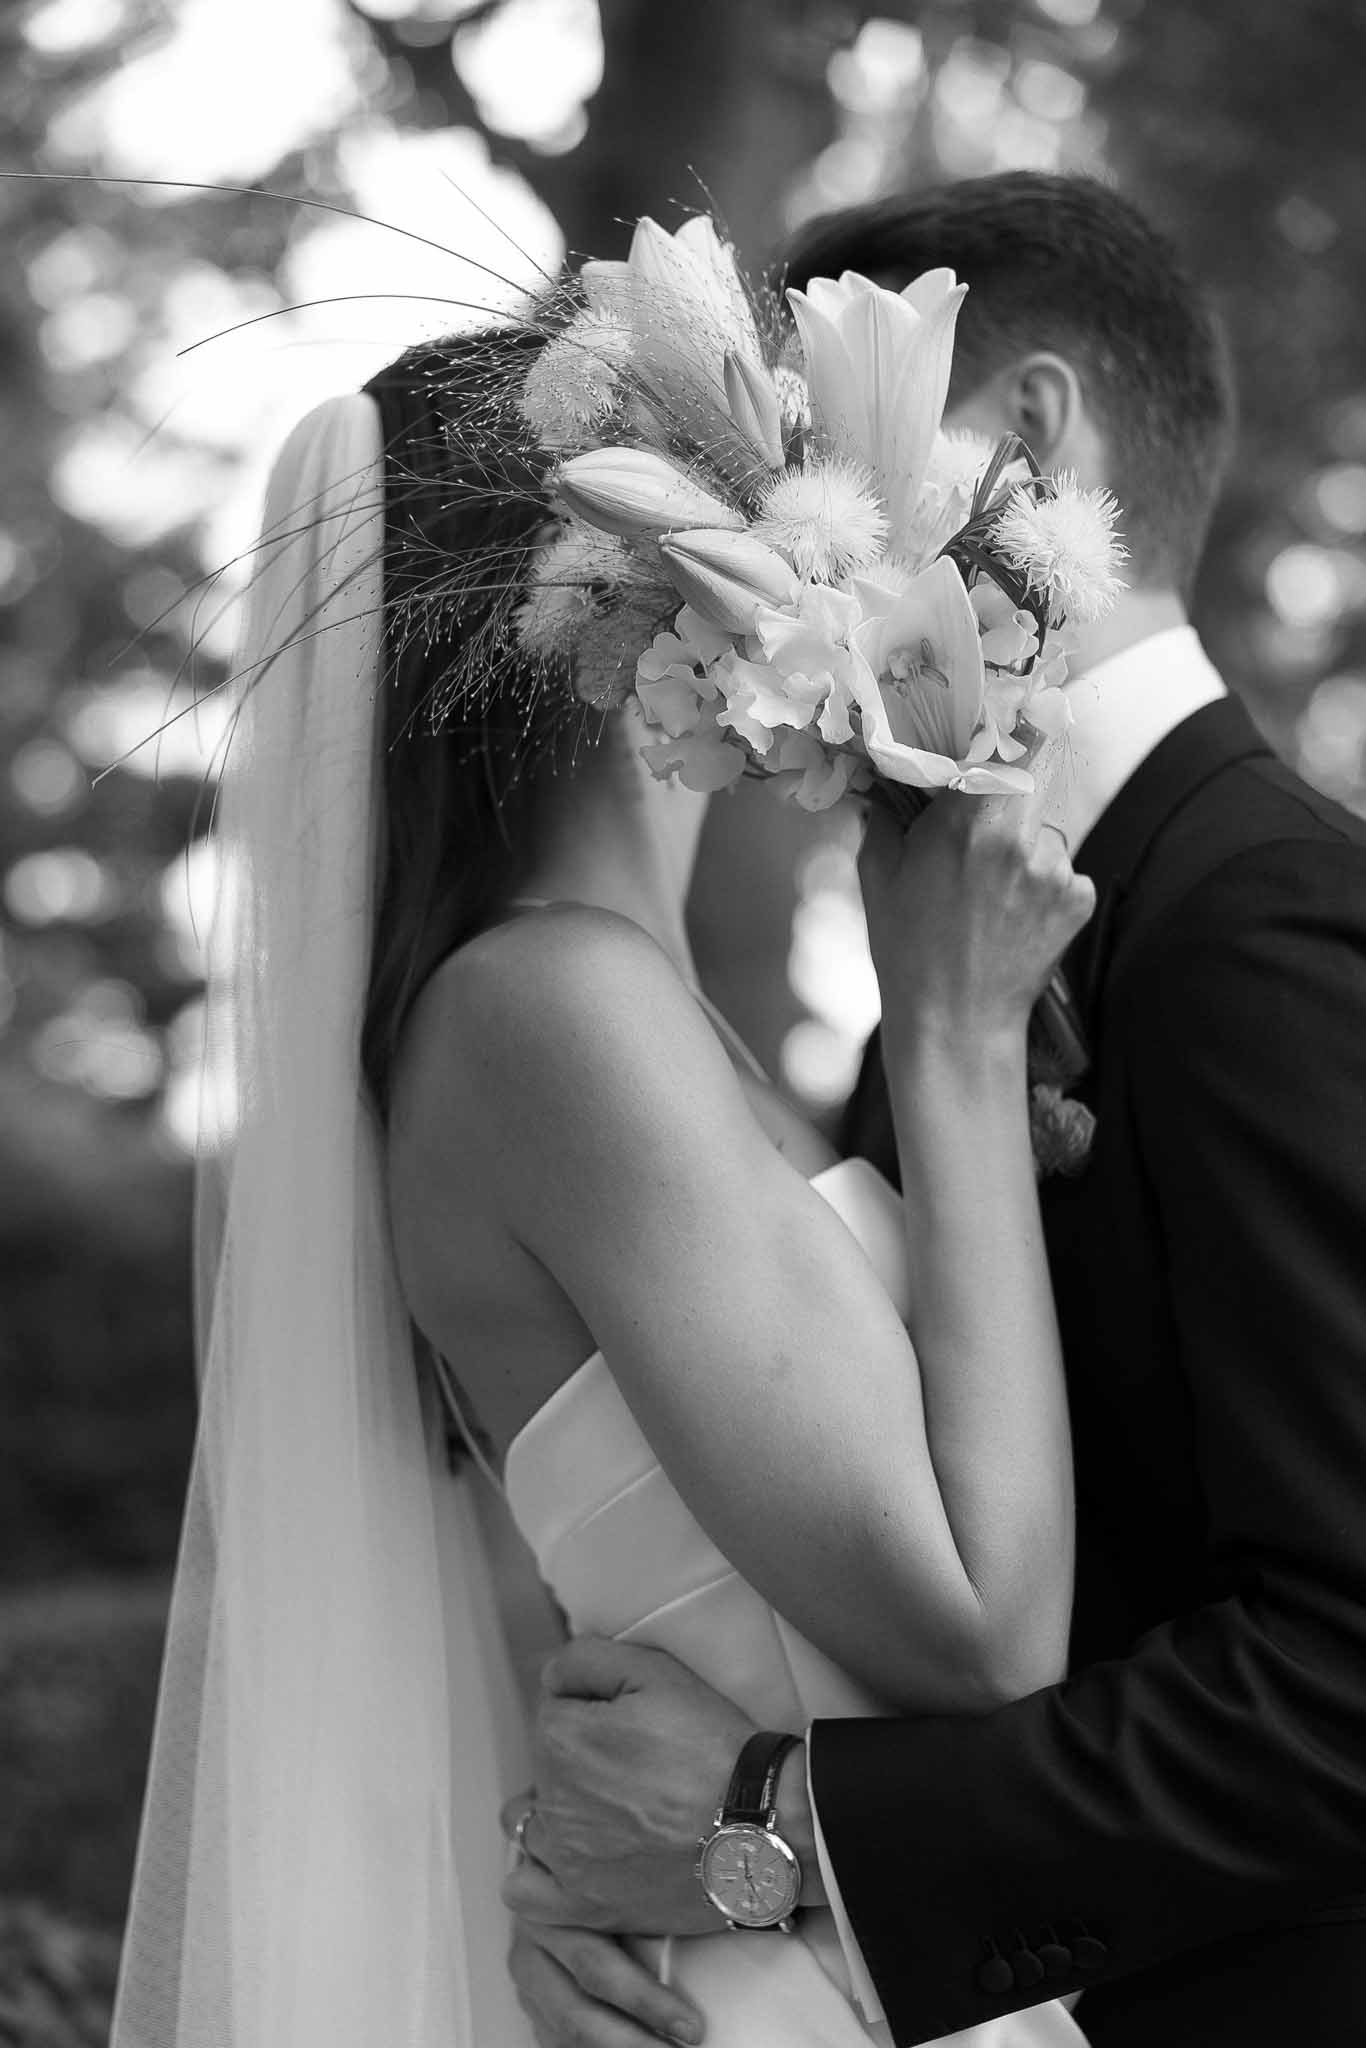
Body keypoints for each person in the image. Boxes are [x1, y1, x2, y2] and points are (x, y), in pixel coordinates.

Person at [110, 283, 1097, 2044]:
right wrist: (955, 1044)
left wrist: (625, 1848)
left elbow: (607, 1624)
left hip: (793, 1941)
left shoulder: (593, 1008)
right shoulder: (550, 1009)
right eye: (764, 493)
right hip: (787, 1983)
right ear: (623, 593)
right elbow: (982, 1635)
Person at [503, 176, 1366, 2048]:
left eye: (804, 430)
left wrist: (755, 1841)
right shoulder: (944, 972)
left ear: (1021, 430)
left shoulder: (1269, 921)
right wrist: (610, 1866)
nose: (741, 522)